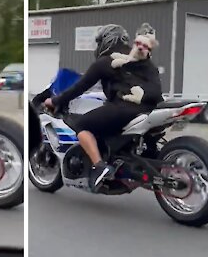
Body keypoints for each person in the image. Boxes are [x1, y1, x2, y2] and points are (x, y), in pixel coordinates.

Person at [44, 24, 163, 192]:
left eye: (99, 42)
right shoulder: (144, 61)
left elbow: (80, 87)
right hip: (153, 108)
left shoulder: (106, 62)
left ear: (107, 41)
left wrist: (55, 101)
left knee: (82, 126)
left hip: (127, 108)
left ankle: (100, 167)